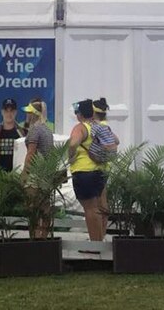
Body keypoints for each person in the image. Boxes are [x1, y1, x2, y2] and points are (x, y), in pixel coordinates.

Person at [68, 99, 105, 242]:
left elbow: (73, 143)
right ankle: (98, 240)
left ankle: (94, 244)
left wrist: (71, 155)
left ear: (80, 114)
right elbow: (115, 141)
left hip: (83, 172)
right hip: (99, 172)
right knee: (96, 208)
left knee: (89, 209)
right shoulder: (99, 127)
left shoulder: (80, 128)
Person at [22, 98, 55, 239]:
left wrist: (25, 172)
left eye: (28, 112)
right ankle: (44, 236)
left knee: (33, 208)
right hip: (46, 174)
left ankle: (35, 237)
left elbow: (31, 153)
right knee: (45, 207)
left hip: (35, 174)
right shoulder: (47, 129)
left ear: (33, 114)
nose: (26, 115)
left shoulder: (35, 129)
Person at [92, 97, 119, 238]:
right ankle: (100, 235)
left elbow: (113, 144)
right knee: (102, 201)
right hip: (105, 168)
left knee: (99, 204)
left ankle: (99, 236)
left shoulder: (98, 127)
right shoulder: (106, 126)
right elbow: (117, 140)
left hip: (100, 167)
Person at [0, 98, 25, 172]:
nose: (9, 114)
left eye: (12, 111)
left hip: (17, 177)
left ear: (16, 112)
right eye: (6, 111)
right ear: (2, 112)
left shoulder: (23, 134)